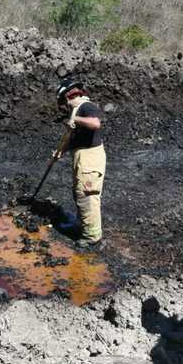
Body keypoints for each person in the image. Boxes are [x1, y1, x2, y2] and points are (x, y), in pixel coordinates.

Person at [54, 77, 106, 248]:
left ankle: (91, 236)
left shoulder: (86, 107)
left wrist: (76, 120)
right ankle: (83, 225)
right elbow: (76, 138)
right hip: (83, 158)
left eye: (63, 101)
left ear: (67, 97)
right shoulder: (77, 110)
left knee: (87, 196)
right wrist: (62, 150)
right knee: (79, 193)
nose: (65, 106)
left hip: (90, 160)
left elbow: (95, 123)